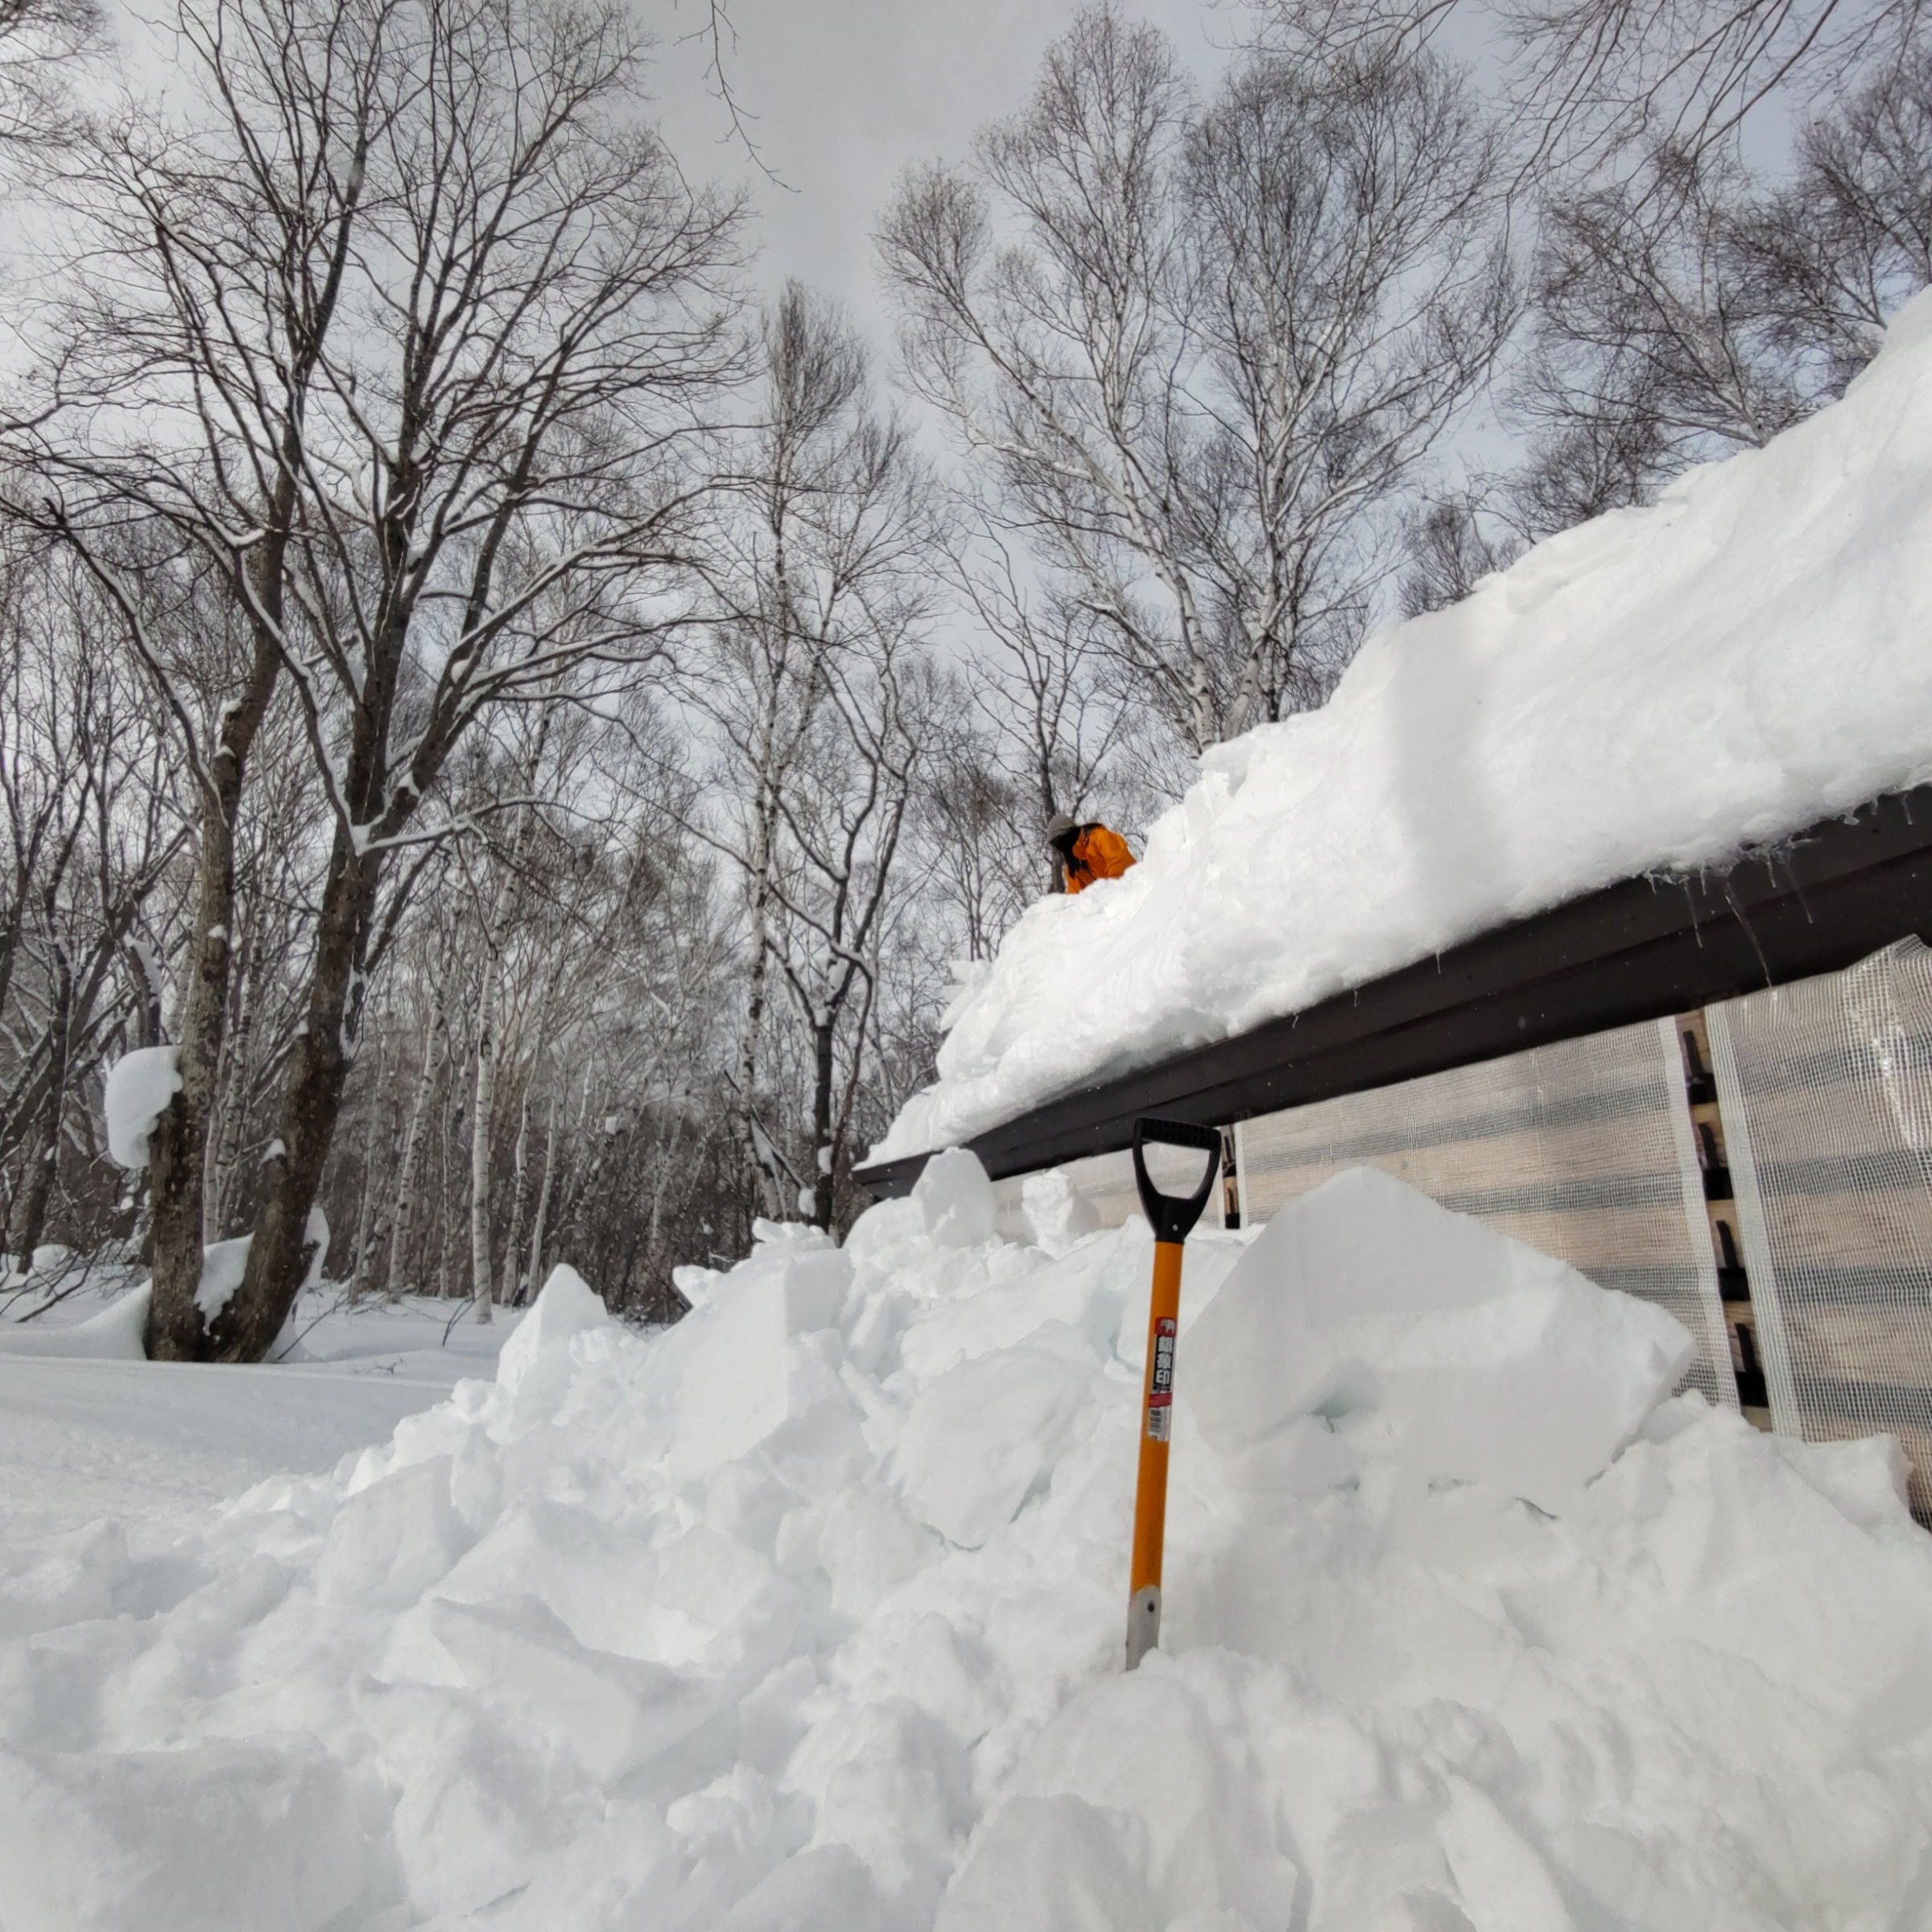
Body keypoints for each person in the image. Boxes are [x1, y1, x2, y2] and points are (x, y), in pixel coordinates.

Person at [1046, 811, 1136, 894]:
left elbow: (1120, 864)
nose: (1060, 848)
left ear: (1068, 834)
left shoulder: (1099, 837)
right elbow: (1075, 898)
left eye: (1059, 842)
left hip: (1133, 890)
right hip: (1111, 905)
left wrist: (1109, 893)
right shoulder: (1073, 867)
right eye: (1055, 845)